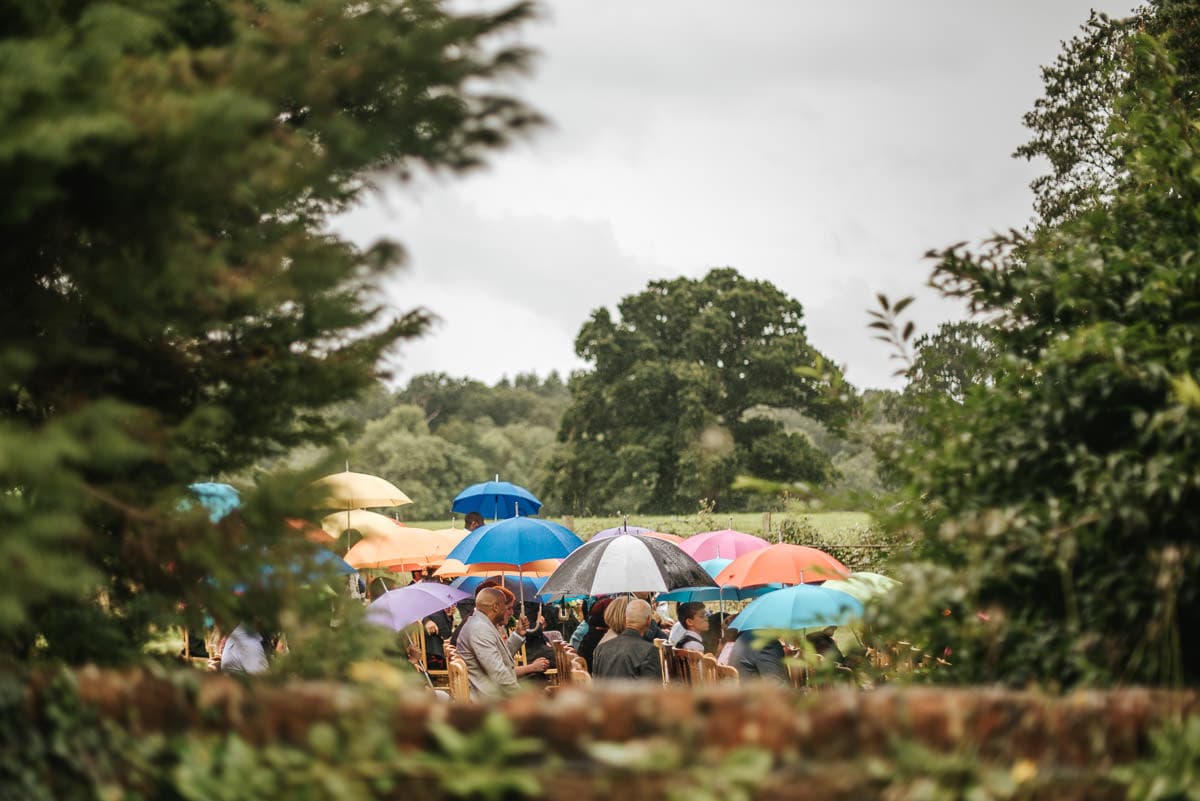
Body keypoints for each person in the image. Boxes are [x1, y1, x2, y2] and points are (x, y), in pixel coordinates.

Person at [454, 587, 522, 698]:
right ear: (495, 607)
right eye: (505, 607)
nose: (509, 611)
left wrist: (518, 635)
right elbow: (498, 674)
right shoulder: (480, 628)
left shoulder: (481, 623)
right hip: (490, 701)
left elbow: (501, 657)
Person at [592, 599, 663, 681]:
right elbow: (654, 690)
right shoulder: (649, 650)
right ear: (648, 621)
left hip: (604, 694)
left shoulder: (600, 648)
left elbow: (596, 684)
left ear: (625, 619)